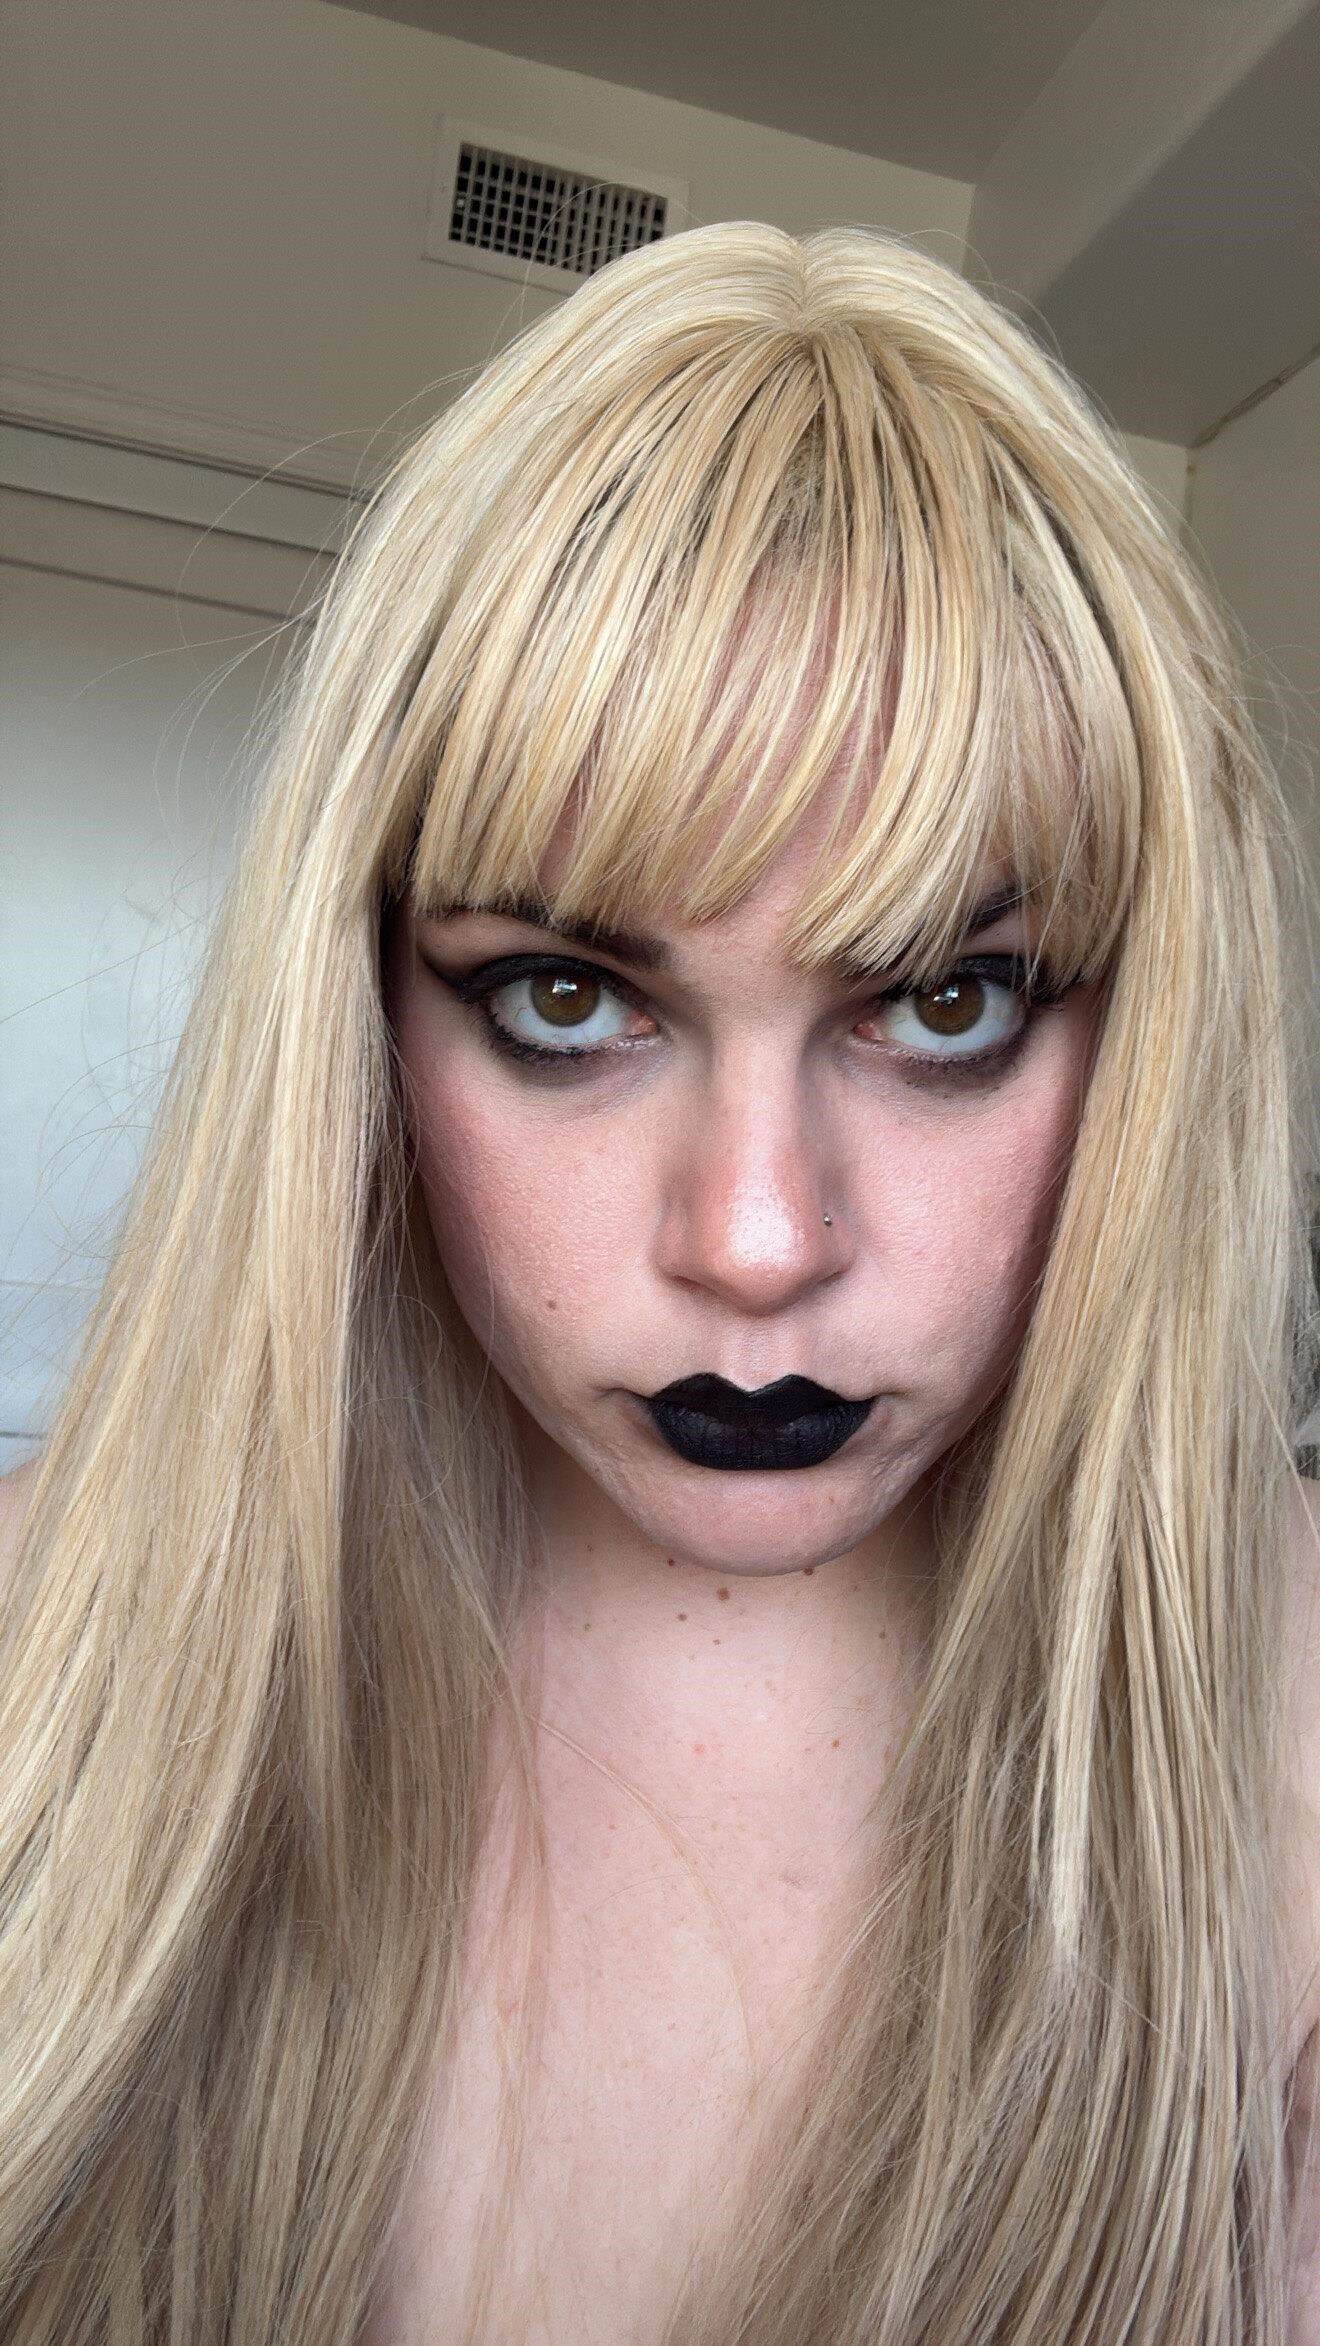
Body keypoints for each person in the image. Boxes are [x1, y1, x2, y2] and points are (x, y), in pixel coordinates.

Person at [2, 219, 1319, 2346]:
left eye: (951, 1001)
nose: (759, 1240)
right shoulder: (37, 1674)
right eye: (563, 997)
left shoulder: (1286, 1720)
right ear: (360, 1024)